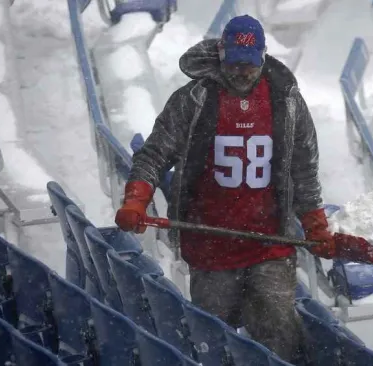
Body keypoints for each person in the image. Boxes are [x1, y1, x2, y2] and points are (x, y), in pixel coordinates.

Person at [114, 14, 336, 363]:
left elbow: (304, 170)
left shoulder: (286, 102)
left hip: (270, 242)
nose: (241, 72)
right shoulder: (194, 100)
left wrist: (315, 223)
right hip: (209, 242)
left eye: (249, 65)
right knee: (212, 340)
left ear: (262, 59)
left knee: (280, 331)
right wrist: (136, 199)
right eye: (233, 63)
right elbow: (154, 154)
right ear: (221, 55)